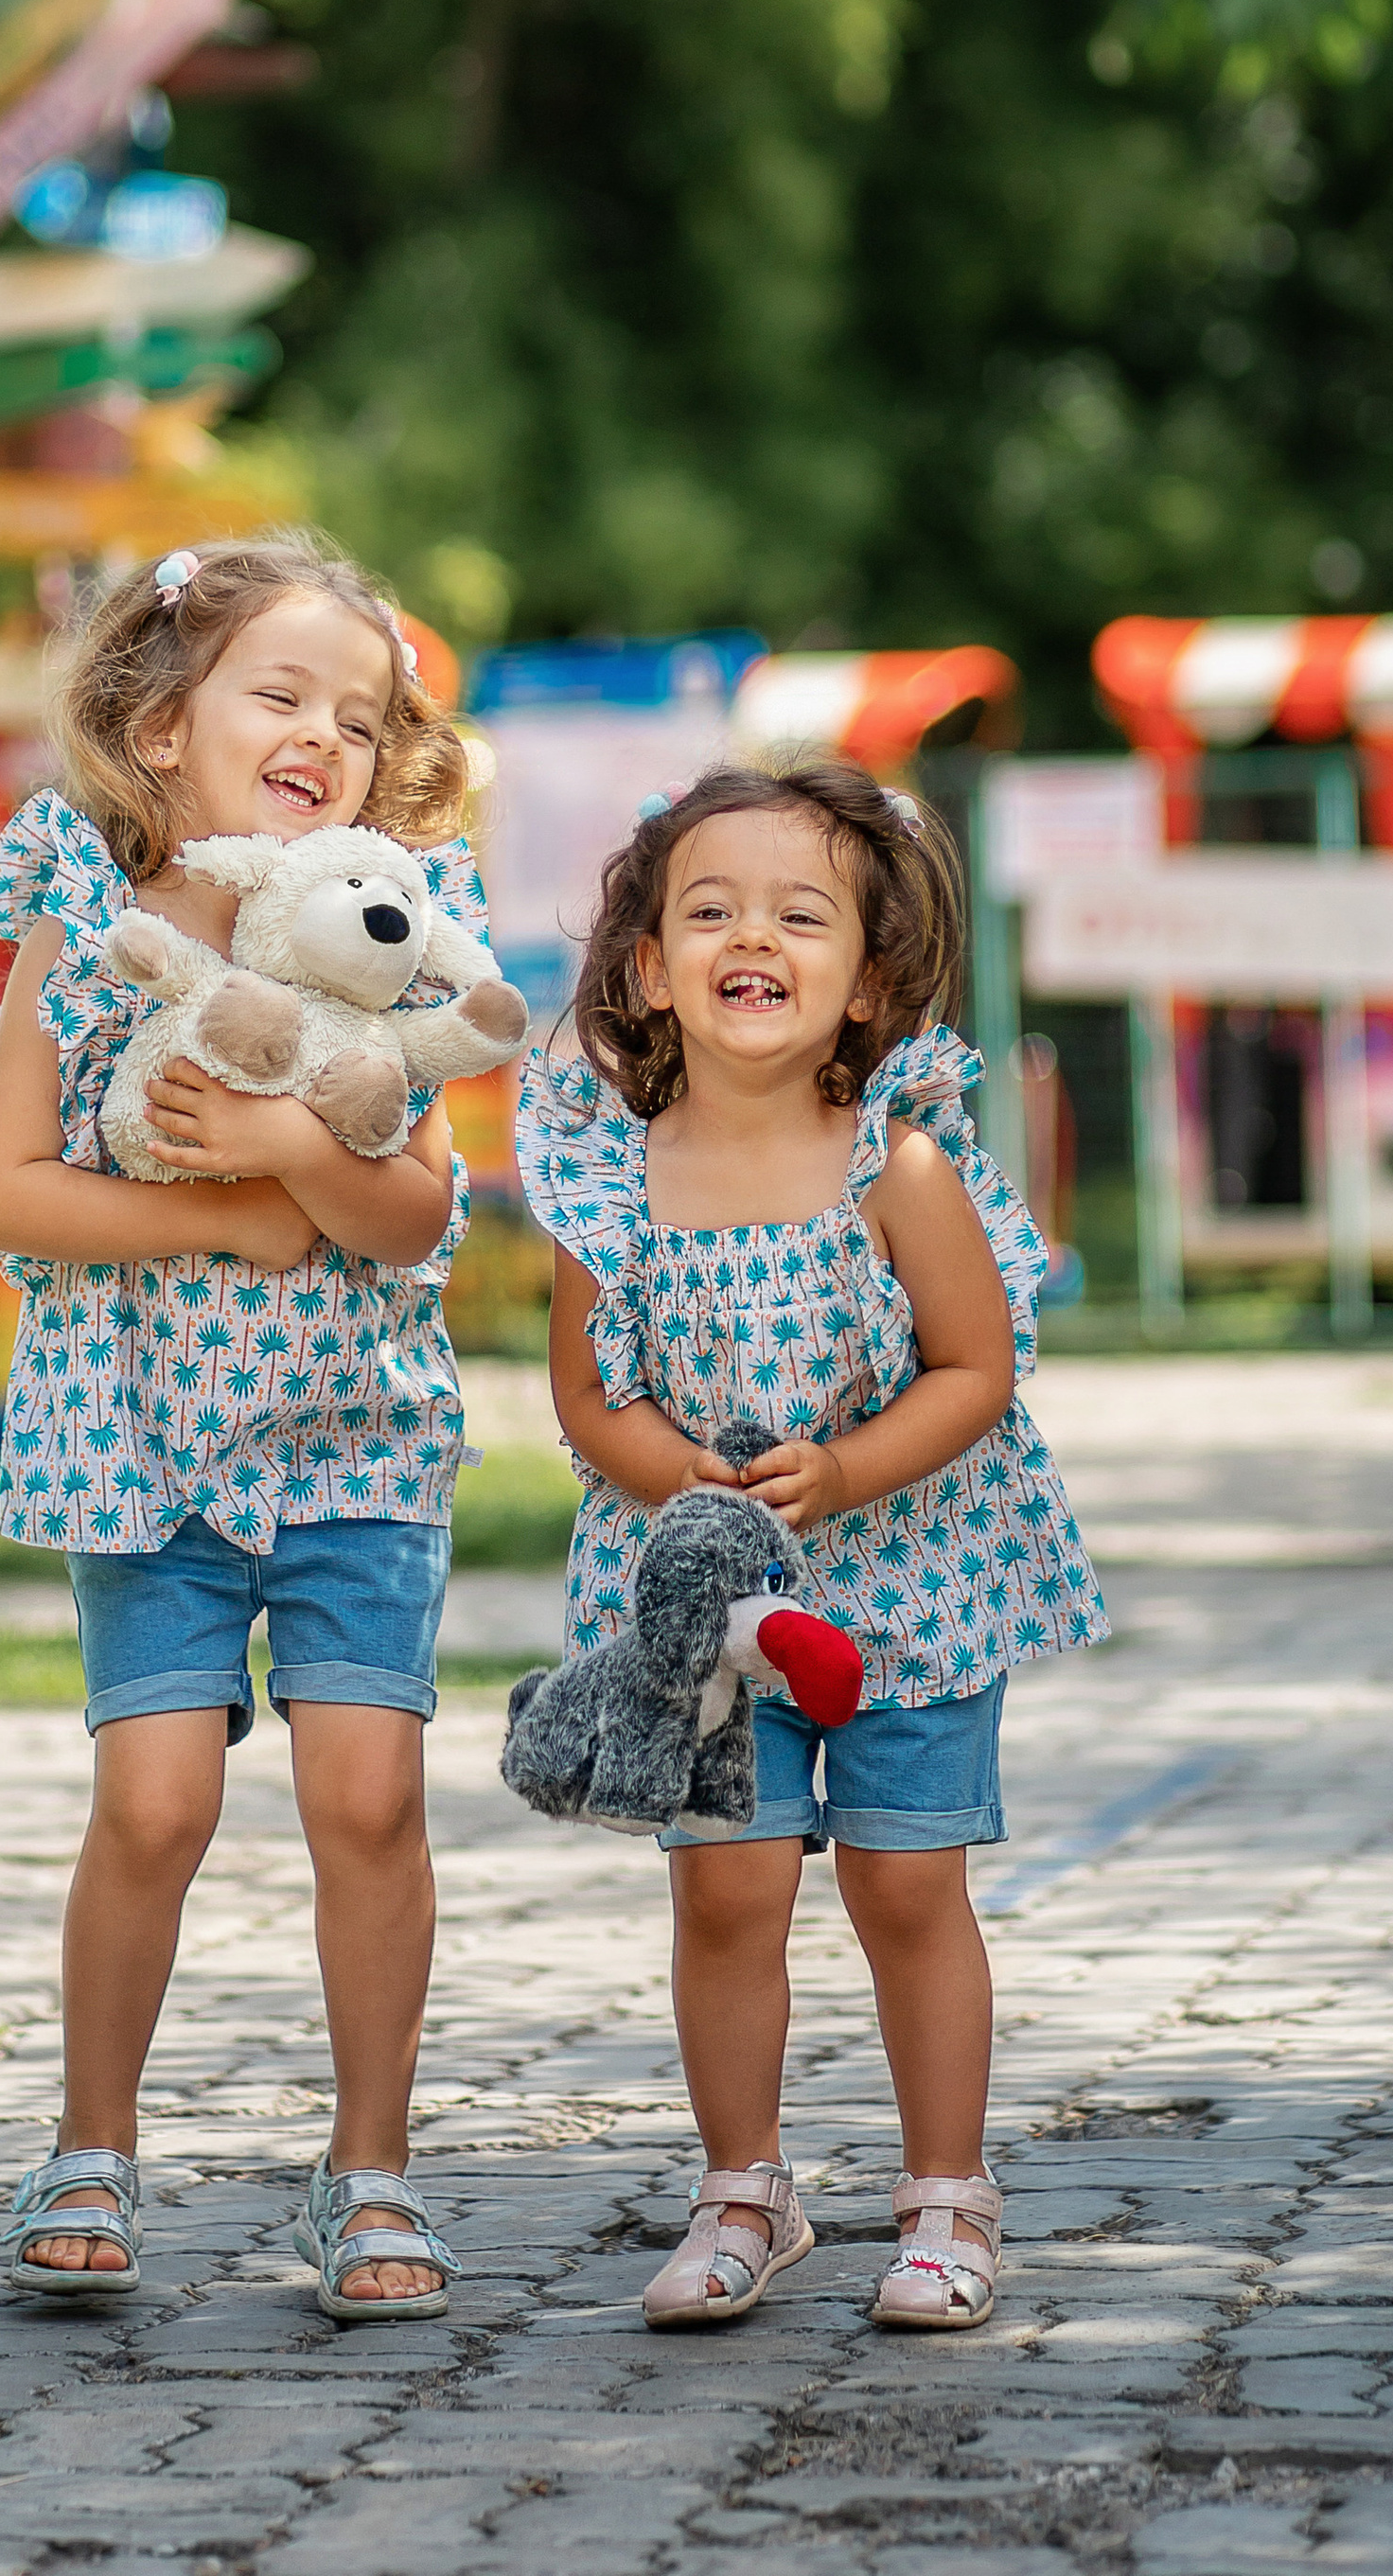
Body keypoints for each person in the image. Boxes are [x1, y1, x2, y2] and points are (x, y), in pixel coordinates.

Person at [515, 760, 1106, 2332]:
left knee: (910, 1888)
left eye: (798, 913)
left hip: (911, 1576)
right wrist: (683, 1483)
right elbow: (588, 1396)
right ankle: (745, 2188)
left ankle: (945, 2198)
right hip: (710, 1605)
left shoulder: (896, 1163)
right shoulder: (608, 1175)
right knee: (728, 1892)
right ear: (649, 969)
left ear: (865, 982)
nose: (749, 936)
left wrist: (842, 1473)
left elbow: (979, 1368)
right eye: (707, 911)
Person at [0, 532, 479, 2319]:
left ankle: (373, 2173)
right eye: (283, 693)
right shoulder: (80, 915)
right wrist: (221, 1217)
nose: (325, 736)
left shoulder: (382, 920)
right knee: (157, 1801)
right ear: (159, 718)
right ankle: (90, 2139)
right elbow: (12, 1191)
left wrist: (286, 1157)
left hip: (356, 1438)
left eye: (361, 713)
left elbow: (417, 1216)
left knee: (371, 1790)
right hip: (143, 1441)